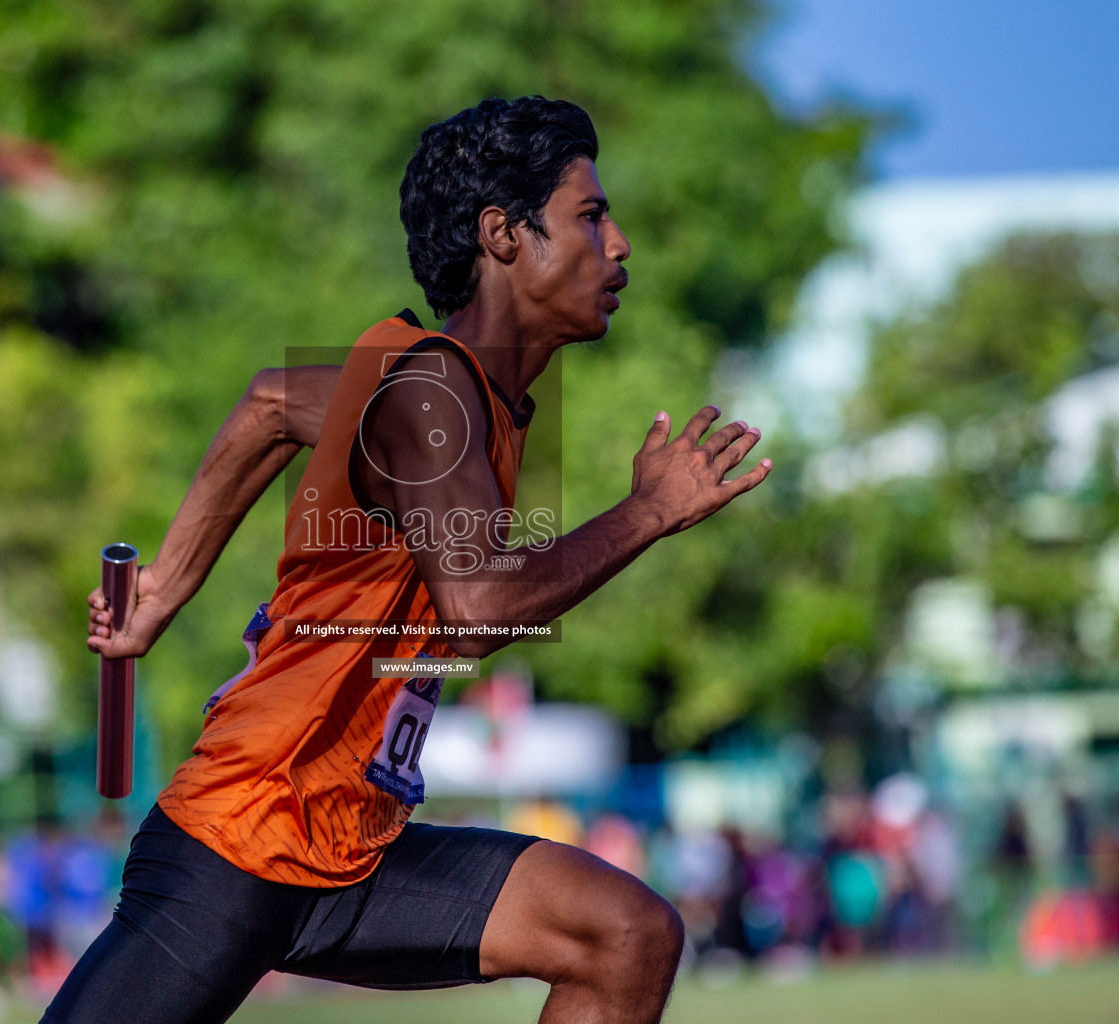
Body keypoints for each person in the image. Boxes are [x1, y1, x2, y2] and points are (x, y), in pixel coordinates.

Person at [49, 96, 772, 1024]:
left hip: (355, 850)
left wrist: (164, 594)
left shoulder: (460, 400)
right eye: (590, 216)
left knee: (625, 935)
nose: (620, 243)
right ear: (503, 236)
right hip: (238, 842)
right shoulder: (432, 393)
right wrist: (648, 513)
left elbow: (271, 404)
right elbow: (474, 609)